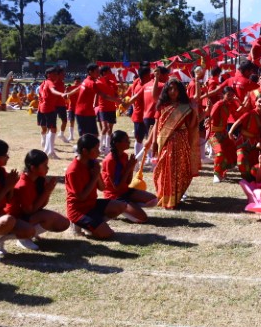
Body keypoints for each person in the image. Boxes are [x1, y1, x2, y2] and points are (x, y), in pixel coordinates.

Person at [5, 149, 71, 250]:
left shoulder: (38, 180)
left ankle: (29, 234)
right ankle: (23, 237)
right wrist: (47, 191)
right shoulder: (23, 184)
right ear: (33, 168)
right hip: (13, 220)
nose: (47, 168)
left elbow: (41, 205)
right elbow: (29, 211)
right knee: (48, 217)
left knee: (63, 223)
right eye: (44, 165)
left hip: (26, 216)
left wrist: (47, 191)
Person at [65, 134, 127, 239]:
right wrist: (94, 177)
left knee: (121, 206)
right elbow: (81, 197)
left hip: (91, 204)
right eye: (96, 149)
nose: (99, 152)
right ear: (85, 151)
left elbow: (102, 188)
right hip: (78, 210)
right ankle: (78, 224)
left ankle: (93, 224)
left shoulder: (92, 163)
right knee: (107, 234)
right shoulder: (73, 170)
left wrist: (97, 174)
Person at [152, 78, 200, 209]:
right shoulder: (162, 106)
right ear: (166, 91)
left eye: (176, 89)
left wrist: (195, 111)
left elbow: (191, 126)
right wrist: (154, 143)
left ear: (180, 91)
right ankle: (166, 196)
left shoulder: (185, 106)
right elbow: (156, 125)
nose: (173, 91)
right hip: (165, 141)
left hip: (181, 142)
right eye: (170, 89)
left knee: (180, 170)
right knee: (165, 168)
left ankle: (175, 197)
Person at [101, 130, 158, 223]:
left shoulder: (124, 156)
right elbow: (116, 187)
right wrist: (128, 169)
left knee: (153, 200)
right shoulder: (110, 160)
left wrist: (131, 168)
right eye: (126, 140)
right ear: (117, 144)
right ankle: (116, 208)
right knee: (142, 219)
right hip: (114, 195)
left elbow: (128, 182)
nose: (129, 142)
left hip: (125, 191)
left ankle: (129, 205)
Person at [208, 87, 238, 183]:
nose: (230, 97)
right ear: (223, 95)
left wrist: (240, 102)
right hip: (213, 134)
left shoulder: (229, 105)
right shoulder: (218, 104)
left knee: (232, 149)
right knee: (220, 152)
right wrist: (208, 121)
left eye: (232, 95)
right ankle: (216, 174)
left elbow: (238, 112)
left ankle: (223, 172)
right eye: (228, 95)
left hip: (223, 133)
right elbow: (211, 116)